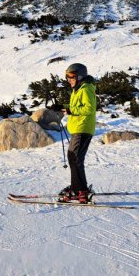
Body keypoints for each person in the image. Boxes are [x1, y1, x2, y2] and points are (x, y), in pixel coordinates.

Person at [51, 63, 96, 204]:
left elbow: (89, 108)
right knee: (75, 159)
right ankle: (79, 188)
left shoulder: (86, 88)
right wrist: (63, 107)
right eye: (67, 76)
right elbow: (77, 106)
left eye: (71, 76)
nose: (69, 79)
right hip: (78, 129)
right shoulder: (78, 89)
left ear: (80, 76)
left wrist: (71, 111)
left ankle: (79, 191)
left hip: (82, 129)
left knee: (74, 158)